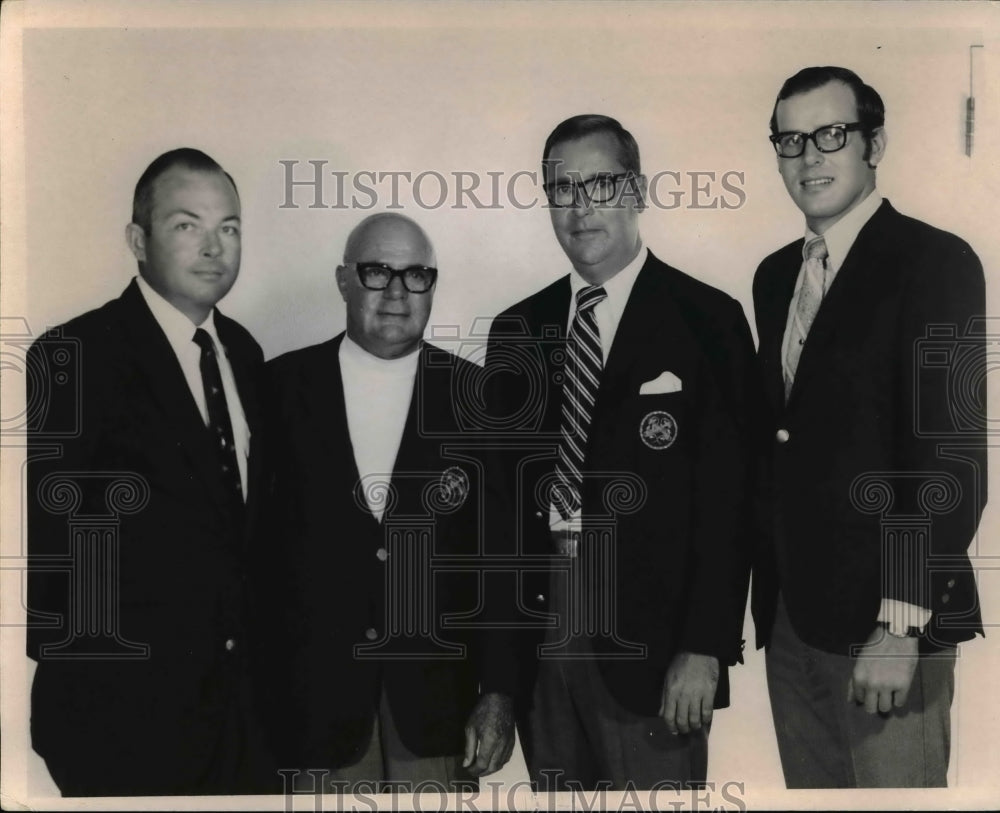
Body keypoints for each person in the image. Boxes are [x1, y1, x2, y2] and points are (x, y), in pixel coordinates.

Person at [484, 115, 758, 790]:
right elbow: (500, 516)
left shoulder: (708, 319)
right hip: (544, 629)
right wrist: (497, 678)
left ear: (637, 190)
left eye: (599, 184)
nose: (579, 206)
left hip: (655, 639)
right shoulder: (518, 330)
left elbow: (734, 500)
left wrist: (705, 644)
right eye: (561, 187)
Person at [752, 66, 987, 788]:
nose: (809, 156)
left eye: (831, 134)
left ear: (873, 143)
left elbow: (950, 463)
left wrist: (902, 623)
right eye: (790, 140)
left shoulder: (934, 261)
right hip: (792, 622)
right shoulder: (772, 276)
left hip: (887, 627)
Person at [26, 148, 273, 795]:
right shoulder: (75, 356)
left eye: (230, 227)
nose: (214, 247)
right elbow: (58, 562)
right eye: (186, 225)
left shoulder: (245, 354)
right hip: (126, 725)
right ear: (137, 239)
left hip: (243, 723)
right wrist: (86, 734)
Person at [254, 212, 515, 794]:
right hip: (310, 713)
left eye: (415, 275)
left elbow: (503, 560)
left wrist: (498, 693)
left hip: (435, 711)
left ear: (432, 284)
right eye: (377, 272)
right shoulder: (276, 390)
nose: (397, 292)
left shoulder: (477, 397)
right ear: (344, 280)